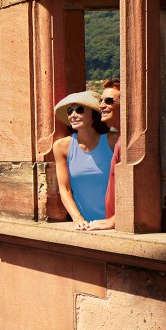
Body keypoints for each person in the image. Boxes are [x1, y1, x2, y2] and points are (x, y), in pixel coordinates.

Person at [52, 90, 117, 229]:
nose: (73, 115)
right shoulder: (61, 147)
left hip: (113, 225)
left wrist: (114, 221)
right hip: (85, 226)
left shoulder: (113, 141)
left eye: (79, 110)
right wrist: (78, 219)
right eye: (70, 111)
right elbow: (65, 189)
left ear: (94, 114)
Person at [86, 78, 121, 230]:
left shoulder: (131, 142)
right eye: (101, 101)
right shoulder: (121, 138)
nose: (101, 105)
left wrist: (114, 220)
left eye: (108, 100)